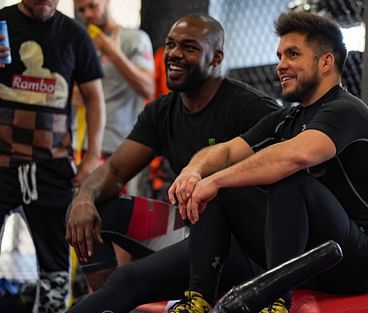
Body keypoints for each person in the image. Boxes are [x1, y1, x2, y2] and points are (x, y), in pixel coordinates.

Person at [168, 11, 368, 313]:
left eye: (293, 54)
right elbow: (225, 152)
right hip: (306, 254)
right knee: (220, 181)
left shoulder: (348, 110)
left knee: (290, 180)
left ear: (326, 62)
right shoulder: (287, 118)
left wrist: (216, 180)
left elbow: (295, 155)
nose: (281, 65)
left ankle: (275, 302)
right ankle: (199, 300)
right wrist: (194, 172)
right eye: (279, 56)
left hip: (357, 259)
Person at [65, 14, 279, 312]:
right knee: (93, 211)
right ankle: (110, 299)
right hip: (191, 228)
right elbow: (114, 171)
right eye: (170, 45)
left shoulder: (252, 109)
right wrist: (83, 199)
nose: (175, 54)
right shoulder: (163, 110)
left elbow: (284, 193)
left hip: (240, 248)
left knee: (128, 278)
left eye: (189, 47)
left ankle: (118, 294)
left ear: (216, 57)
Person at [0, 0, 105, 312]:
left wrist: (92, 157)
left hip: (50, 166)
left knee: (55, 269)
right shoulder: (2, 25)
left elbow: (94, 98)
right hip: (1, 162)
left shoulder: (73, 34)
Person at [72, 0, 155, 287]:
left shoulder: (134, 38)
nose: (88, 15)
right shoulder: (79, 41)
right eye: (81, 10)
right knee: (81, 226)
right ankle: (93, 297)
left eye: (92, 7)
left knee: (116, 225)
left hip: (122, 151)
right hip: (80, 147)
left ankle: (120, 295)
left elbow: (148, 87)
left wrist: (111, 51)